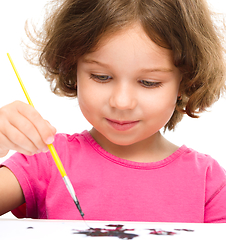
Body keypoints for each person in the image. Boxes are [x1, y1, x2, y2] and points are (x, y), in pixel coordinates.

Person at [0, 0, 226, 223]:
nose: (121, 102)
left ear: (186, 82)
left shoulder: (207, 182)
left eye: (148, 82)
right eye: (101, 77)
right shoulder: (47, 161)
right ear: (72, 68)